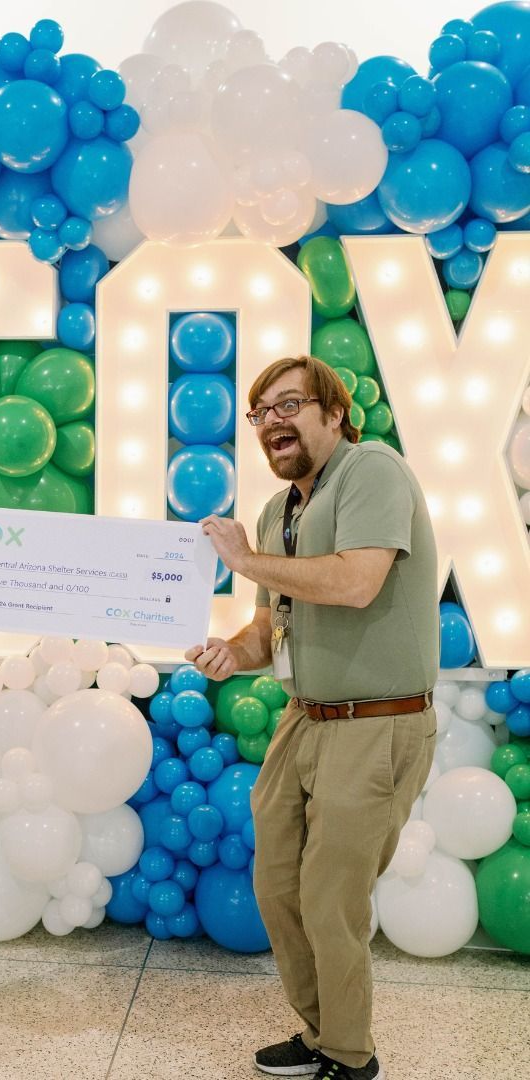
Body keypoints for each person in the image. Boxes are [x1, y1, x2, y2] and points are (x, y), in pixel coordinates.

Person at [185, 355, 437, 1080]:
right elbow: (273, 627)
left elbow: (357, 582)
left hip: (376, 721)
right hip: (305, 719)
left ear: (334, 411)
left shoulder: (373, 470)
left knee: (331, 898)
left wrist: (246, 559)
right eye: (261, 412)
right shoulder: (278, 511)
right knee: (278, 885)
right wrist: (234, 653)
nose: (273, 422)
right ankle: (323, 1032)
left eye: (289, 404)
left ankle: (351, 1057)